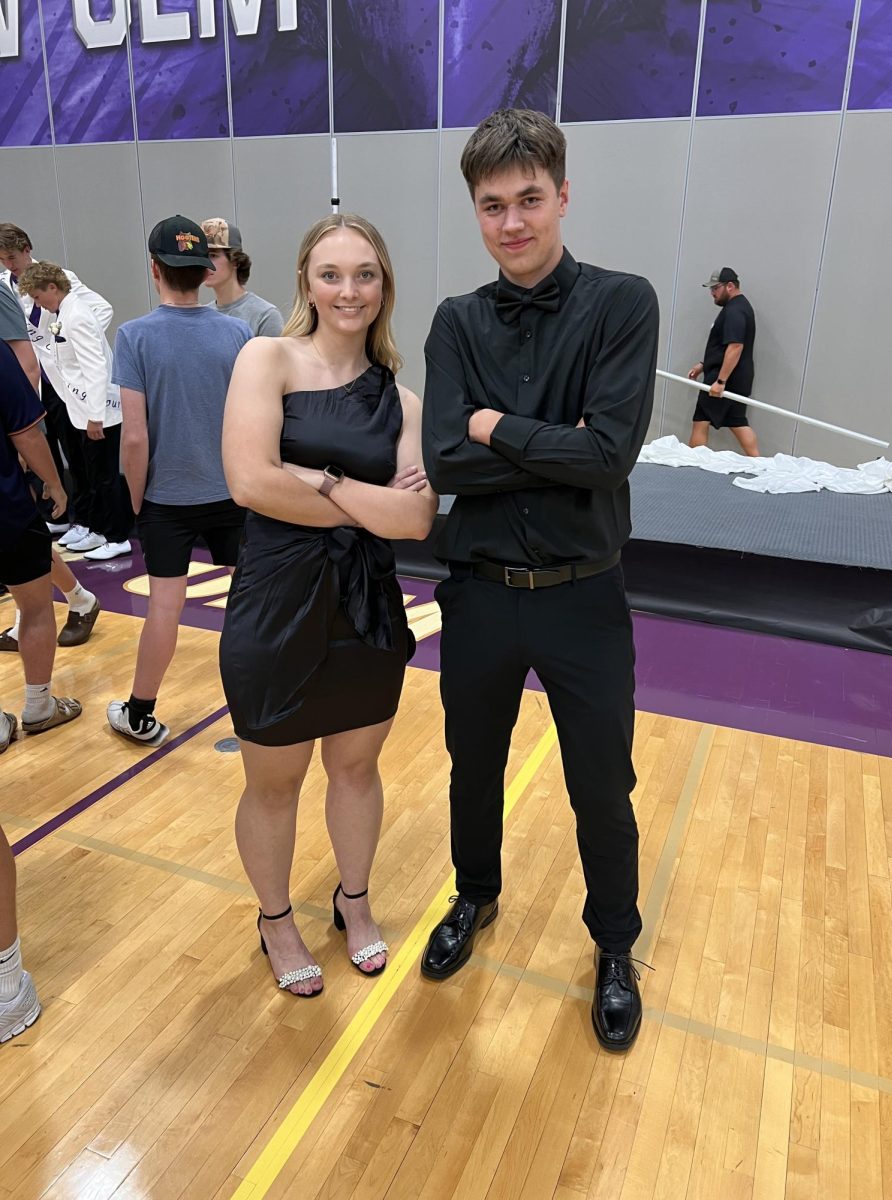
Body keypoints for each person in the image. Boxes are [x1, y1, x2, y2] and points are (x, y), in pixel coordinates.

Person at [421, 108, 659, 1052]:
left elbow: (608, 456)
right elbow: (443, 461)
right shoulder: (454, 320)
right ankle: (474, 896)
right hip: (479, 594)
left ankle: (613, 946)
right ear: (475, 212)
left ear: (563, 195)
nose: (512, 222)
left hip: (584, 596)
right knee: (470, 771)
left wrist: (493, 428)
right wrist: (533, 445)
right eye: (493, 206)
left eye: (529, 199)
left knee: (601, 785)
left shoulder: (621, 302)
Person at [220, 214, 436, 996]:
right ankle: (275, 919)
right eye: (332, 273)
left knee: (356, 768)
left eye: (365, 274)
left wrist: (316, 479)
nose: (349, 290)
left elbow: (415, 521)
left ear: (384, 286)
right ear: (306, 281)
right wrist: (367, 495)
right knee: (273, 782)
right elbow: (249, 481)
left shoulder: (403, 401)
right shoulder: (267, 357)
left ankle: (355, 902)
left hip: (367, 608)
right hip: (276, 603)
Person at [108, 216, 252, 747]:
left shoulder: (133, 337)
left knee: (164, 608)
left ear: (154, 270)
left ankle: (140, 713)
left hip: (166, 500)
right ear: (204, 269)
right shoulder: (237, 333)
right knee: (245, 607)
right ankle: (256, 710)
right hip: (233, 495)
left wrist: (137, 501)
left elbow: (136, 439)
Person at [0, 277, 99, 651]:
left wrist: (30, 442)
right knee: (25, 535)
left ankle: (43, 611)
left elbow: (26, 364)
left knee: (21, 530)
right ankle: (77, 598)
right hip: (16, 426)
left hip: (17, 427)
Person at [0, 222, 114, 538]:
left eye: (12, 257)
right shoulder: (3, 285)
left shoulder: (57, 277)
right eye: (3, 259)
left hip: (60, 379)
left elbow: (101, 310)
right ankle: (58, 516)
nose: (9, 265)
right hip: (27, 379)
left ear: (27, 249)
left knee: (75, 451)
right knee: (40, 448)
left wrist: (63, 342)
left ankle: (88, 519)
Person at [17, 262, 132, 560]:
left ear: (53, 288)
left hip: (97, 410)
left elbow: (96, 367)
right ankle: (98, 529)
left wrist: (96, 415)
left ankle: (118, 536)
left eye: (38, 297)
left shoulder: (78, 315)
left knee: (106, 475)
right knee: (93, 474)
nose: (37, 304)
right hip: (81, 408)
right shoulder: (62, 313)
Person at [0, 337, 83, 751]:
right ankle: (38, 705)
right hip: (6, 511)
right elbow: (26, 432)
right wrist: (54, 483)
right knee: (34, 607)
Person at [687, 267, 759, 456]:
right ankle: (760, 463)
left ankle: (694, 463)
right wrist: (703, 365)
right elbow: (722, 347)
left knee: (701, 419)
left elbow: (735, 347)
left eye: (715, 288)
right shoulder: (737, 307)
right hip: (732, 377)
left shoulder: (735, 311)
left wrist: (720, 381)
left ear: (730, 286)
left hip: (725, 379)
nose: (712, 293)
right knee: (737, 421)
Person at [201, 218, 284, 336]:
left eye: (213, 255)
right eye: (203, 256)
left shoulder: (265, 315)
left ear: (235, 261)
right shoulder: (203, 315)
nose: (205, 263)